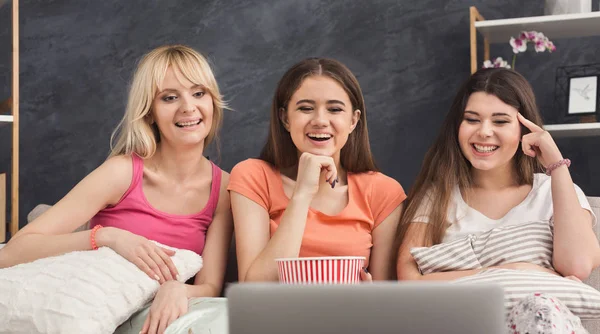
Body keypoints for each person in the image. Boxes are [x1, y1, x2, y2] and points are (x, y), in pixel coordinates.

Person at [0, 45, 233, 334]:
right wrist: (108, 237)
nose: (188, 107)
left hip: (163, 319)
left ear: (212, 102)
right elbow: (11, 253)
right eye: (169, 97)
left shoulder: (224, 188)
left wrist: (178, 290)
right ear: (149, 113)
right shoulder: (121, 172)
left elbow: (210, 285)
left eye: (199, 93)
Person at [395, 68, 599, 333]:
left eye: (501, 121)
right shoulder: (436, 195)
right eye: (472, 119)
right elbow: (409, 282)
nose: (484, 132)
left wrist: (556, 165)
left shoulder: (554, 191)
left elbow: (578, 266)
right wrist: (510, 271)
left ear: (525, 129)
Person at [228, 57, 406, 282]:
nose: (320, 120)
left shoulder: (383, 191)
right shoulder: (253, 176)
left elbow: (386, 298)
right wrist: (302, 195)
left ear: (353, 120)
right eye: (306, 108)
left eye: (334, 109)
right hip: (276, 316)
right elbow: (254, 288)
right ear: (285, 119)